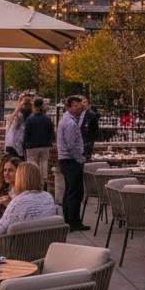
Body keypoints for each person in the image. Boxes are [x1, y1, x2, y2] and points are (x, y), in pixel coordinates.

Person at [0, 161, 58, 238]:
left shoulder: (18, 202)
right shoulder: (48, 197)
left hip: (20, 248)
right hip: (46, 246)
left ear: (20, 179)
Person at [56, 95, 88, 232]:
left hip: (67, 159)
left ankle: (71, 220)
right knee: (74, 192)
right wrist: (80, 159)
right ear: (70, 107)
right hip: (70, 160)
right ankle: (72, 221)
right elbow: (70, 145)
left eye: (80, 105)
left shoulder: (69, 120)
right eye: (76, 105)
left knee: (71, 191)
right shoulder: (69, 123)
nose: (79, 108)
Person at [23, 97, 55, 189]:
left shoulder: (30, 119)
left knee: (33, 166)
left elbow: (27, 133)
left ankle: (33, 184)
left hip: (32, 145)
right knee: (43, 165)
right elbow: (51, 133)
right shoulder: (47, 119)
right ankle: (43, 184)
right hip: (44, 145)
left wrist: (25, 145)